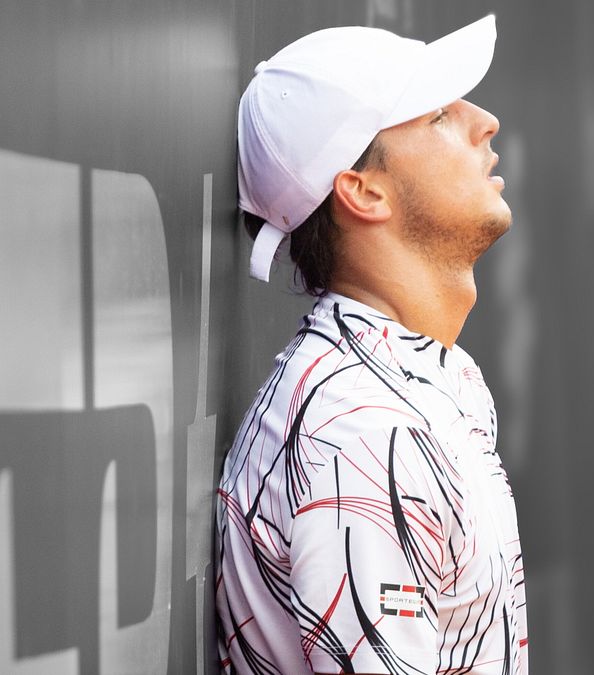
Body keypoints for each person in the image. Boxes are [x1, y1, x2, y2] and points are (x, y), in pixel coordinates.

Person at [215, 15, 528, 674]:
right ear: (363, 191)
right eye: (437, 114)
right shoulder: (362, 433)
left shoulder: (423, 379)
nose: (484, 121)